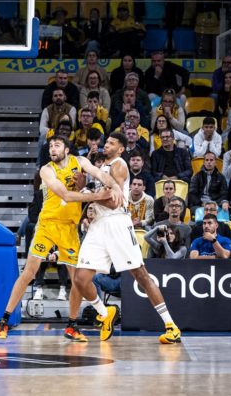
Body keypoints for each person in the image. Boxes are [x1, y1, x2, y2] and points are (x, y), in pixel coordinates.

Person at [0, 134, 123, 340]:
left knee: (77, 280)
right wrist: (97, 196)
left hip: (69, 227)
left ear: (66, 149)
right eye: (50, 146)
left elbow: (100, 174)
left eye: (57, 145)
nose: (52, 149)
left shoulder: (80, 162)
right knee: (29, 272)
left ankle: (72, 326)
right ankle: (4, 320)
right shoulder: (46, 170)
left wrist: (115, 186)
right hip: (47, 225)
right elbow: (66, 195)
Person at [72, 132, 182, 344]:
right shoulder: (101, 168)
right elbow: (97, 197)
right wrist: (83, 187)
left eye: (112, 143)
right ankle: (105, 314)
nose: (107, 144)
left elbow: (113, 203)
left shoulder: (119, 165)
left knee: (141, 275)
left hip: (117, 223)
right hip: (98, 226)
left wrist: (83, 191)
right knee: (80, 278)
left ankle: (171, 325)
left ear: (121, 149)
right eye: (107, 141)